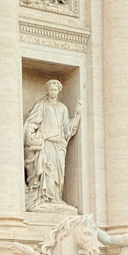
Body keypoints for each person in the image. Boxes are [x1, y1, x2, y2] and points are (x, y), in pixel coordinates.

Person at [23, 79, 81, 210]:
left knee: (58, 174)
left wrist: (78, 114)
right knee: (47, 170)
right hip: (46, 142)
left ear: (59, 91)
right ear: (47, 90)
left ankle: (56, 197)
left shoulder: (62, 108)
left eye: (55, 90)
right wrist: (30, 136)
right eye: (51, 90)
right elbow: (32, 123)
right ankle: (45, 197)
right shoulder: (41, 105)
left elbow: (67, 129)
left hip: (59, 144)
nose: (53, 92)